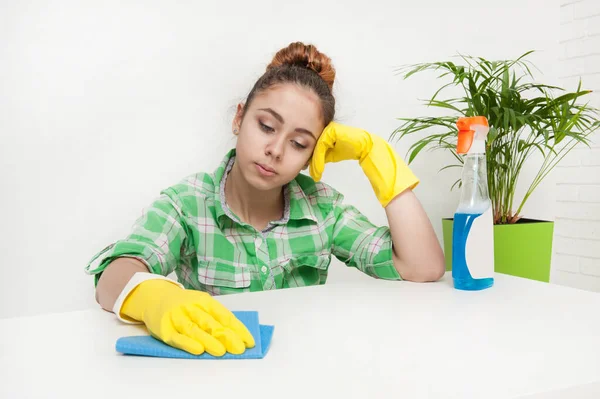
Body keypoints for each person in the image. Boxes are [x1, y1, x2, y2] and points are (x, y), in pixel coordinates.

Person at [85, 41, 445, 357]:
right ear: (239, 118)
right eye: (267, 127)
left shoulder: (324, 209)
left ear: (314, 153)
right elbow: (113, 276)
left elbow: (423, 267)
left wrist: (375, 155)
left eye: (299, 143)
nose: (275, 150)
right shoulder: (187, 203)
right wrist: (152, 298)